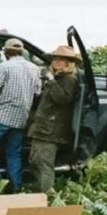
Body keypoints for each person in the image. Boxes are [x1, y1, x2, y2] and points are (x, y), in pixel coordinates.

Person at [0, 38, 41, 190]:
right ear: (22, 51)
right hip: (21, 117)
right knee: (14, 152)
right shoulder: (34, 68)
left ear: (6, 52)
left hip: (1, 115)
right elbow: (37, 92)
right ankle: (16, 187)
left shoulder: (4, 67)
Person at [27, 45, 82, 193]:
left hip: (51, 130)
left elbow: (63, 99)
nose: (56, 61)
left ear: (68, 63)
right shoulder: (58, 78)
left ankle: (45, 195)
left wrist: (51, 81)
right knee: (35, 161)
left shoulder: (69, 79)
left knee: (44, 163)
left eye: (61, 59)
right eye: (55, 59)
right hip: (43, 128)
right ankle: (38, 192)